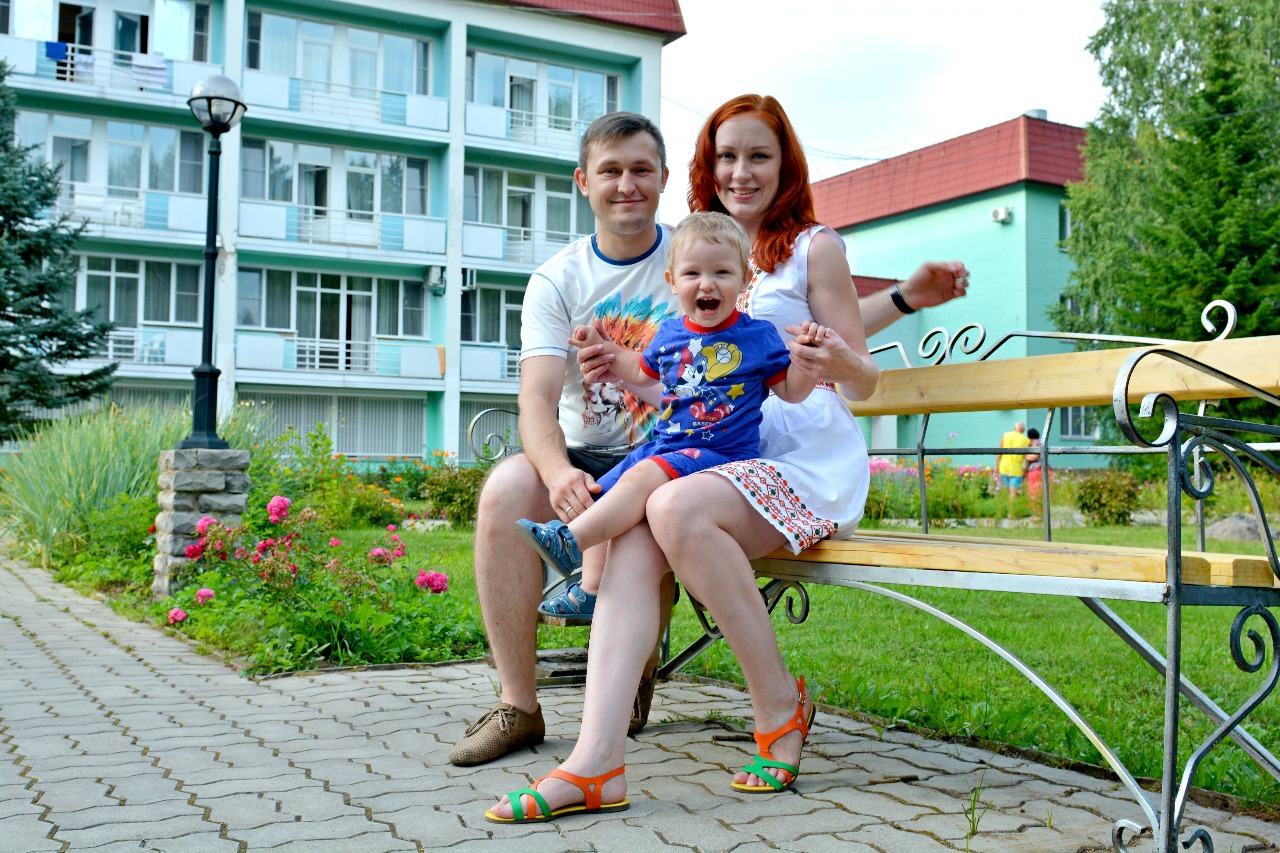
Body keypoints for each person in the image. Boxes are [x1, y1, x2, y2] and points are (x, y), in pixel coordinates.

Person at [484, 94, 971, 823]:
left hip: (799, 454)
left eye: (759, 156)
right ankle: (595, 762)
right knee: (638, 528)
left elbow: (857, 371)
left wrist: (841, 349)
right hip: (719, 452)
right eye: (727, 157)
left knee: (670, 504)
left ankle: (777, 707)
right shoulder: (697, 247)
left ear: (786, 165)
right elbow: (685, 368)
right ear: (706, 168)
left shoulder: (814, 246)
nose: (741, 172)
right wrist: (619, 364)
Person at [518, 212, 824, 619]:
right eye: (692, 273)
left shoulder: (758, 337)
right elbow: (637, 370)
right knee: (604, 490)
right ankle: (590, 589)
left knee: (643, 475)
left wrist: (807, 361)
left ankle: (569, 541)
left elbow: (792, 392)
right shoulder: (670, 334)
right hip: (668, 447)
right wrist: (601, 347)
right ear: (673, 282)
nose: (707, 283)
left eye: (721, 272)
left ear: (744, 280)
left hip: (722, 457)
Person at [997, 421, 1031, 503]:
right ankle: (1011, 510)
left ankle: (1003, 508)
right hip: (1017, 469)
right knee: (1013, 493)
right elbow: (1027, 457)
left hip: (1004, 467)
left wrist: (996, 465)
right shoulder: (1026, 440)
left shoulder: (1006, 435)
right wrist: (1026, 469)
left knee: (1004, 491)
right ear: (1023, 430)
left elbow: (999, 451)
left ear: (1015, 428)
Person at [1024, 427, 1046, 497]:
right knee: (1041, 489)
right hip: (1043, 468)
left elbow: (1034, 456)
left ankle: (1034, 502)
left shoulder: (1033, 443)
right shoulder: (1041, 443)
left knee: (1033, 490)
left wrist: (1025, 456)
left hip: (1034, 469)